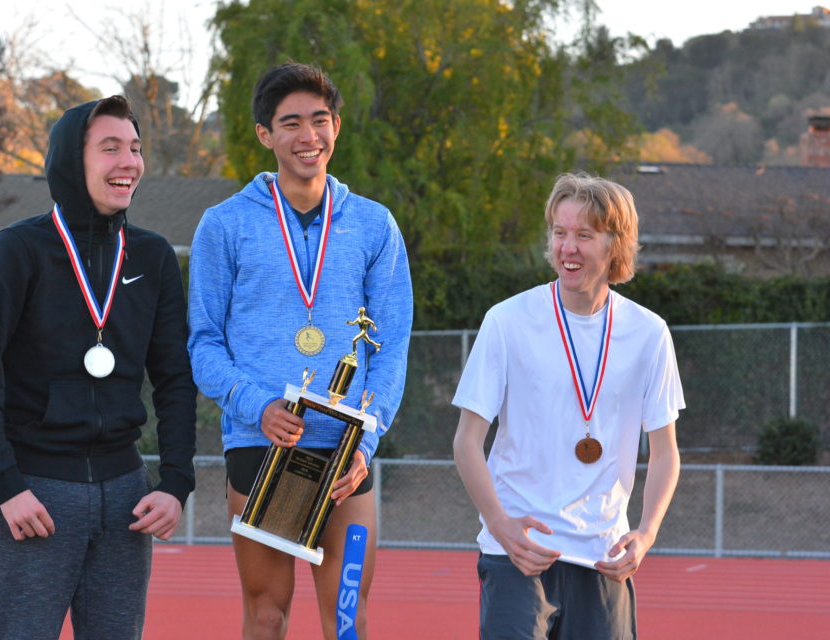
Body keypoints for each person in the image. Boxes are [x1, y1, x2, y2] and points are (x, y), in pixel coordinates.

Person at [0, 95, 197, 640]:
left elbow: (176, 378)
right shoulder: (19, 250)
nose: (128, 162)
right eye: (110, 148)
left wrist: (176, 481)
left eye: (135, 148)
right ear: (71, 160)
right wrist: (7, 485)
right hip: (36, 495)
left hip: (126, 495)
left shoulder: (153, 257)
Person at [187, 63, 413, 640]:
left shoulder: (374, 225)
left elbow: (389, 348)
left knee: (348, 621)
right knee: (267, 616)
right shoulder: (225, 225)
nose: (307, 135)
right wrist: (255, 404)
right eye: (291, 123)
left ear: (336, 126)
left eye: (319, 120)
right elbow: (204, 343)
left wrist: (368, 435)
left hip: (345, 456)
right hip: (260, 446)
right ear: (266, 135)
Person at [452, 173, 683, 639]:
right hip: (519, 553)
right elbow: (466, 441)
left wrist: (647, 531)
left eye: (584, 235)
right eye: (560, 233)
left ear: (615, 244)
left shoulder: (649, 332)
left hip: (603, 555)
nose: (567, 248)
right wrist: (500, 524)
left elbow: (665, 451)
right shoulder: (507, 321)